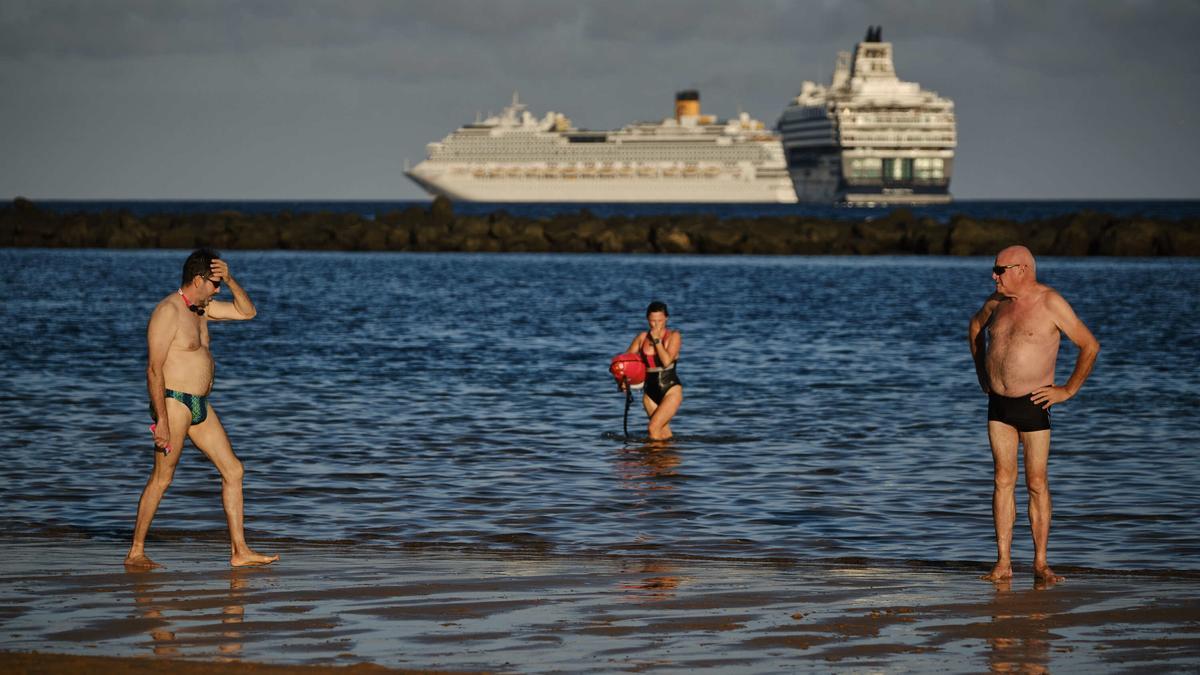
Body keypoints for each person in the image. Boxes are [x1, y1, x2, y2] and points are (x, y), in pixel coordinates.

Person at [125, 248, 278, 569]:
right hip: (173, 402)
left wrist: (231, 278)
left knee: (234, 470)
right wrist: (162, 421)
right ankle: (136, 551)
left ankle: (240, 551)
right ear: (198, 279)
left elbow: (248, 312)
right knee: (162, 478)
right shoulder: (168, 311)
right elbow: (153, 369)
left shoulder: (201, 309)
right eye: (215, 283)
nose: (218, 289)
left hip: (200, 404)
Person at [968, 245, 1099, 583]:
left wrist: (1067, 390)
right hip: (998, 404)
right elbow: (975, 329)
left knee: (1037, 483)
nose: (993, 275)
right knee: (1001, 480)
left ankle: (1041, 564)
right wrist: (982, 374)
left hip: (1034, 404)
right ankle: (1003, 563)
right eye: (994, 269)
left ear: (1022, 269)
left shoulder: (1050, 302)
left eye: (1000, 269)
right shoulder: (996, 304)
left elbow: (1089, 344)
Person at [620, 301, 683, 441]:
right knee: (662, 432)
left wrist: (657, 341)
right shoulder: (642, 338)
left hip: (670, 389)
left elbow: (666, 361)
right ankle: (667, 460)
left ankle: (654, 461)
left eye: (660, 321)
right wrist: (622, 381)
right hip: (650, 393)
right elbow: (625, 363)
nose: (656, 325)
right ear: (647, 319)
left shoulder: (674, 336)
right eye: (652, 321)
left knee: (652, 428)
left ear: (666, 318)